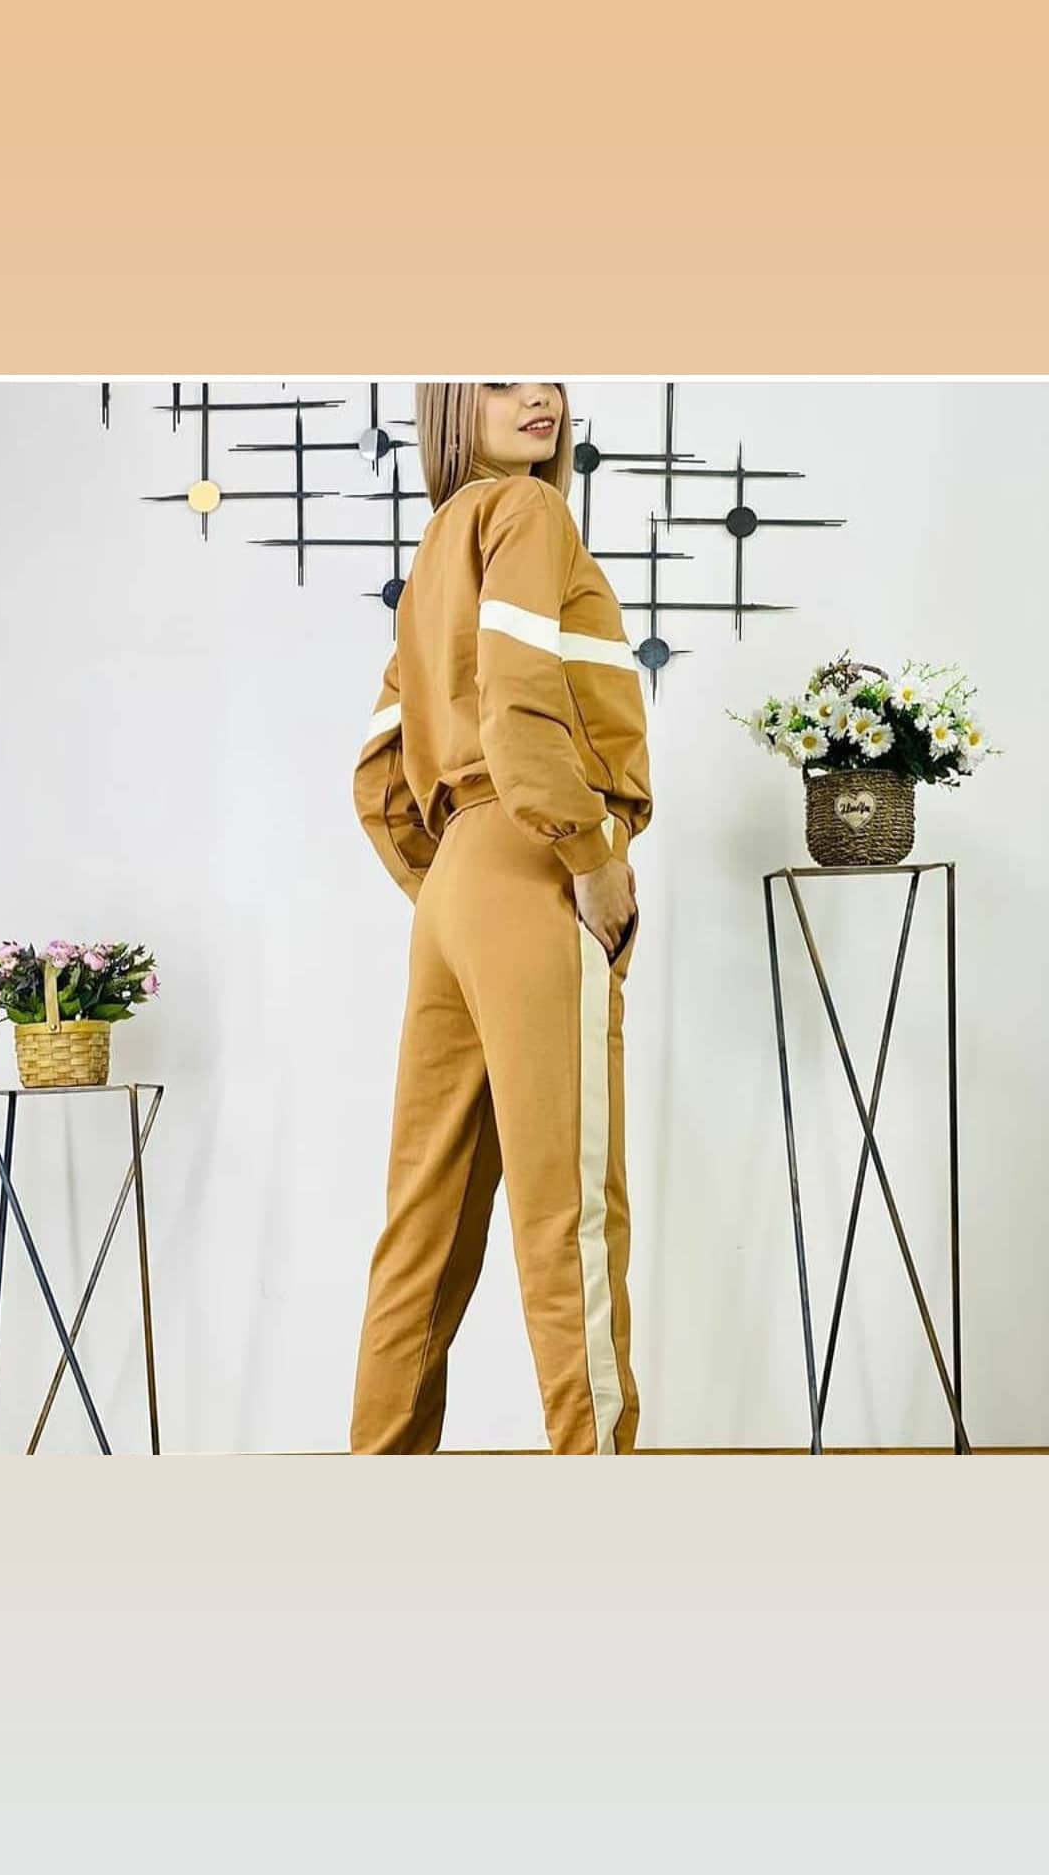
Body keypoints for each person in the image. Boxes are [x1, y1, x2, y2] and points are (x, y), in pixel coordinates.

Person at [349, 381, 654, 1453]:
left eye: (548, 377)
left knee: (421, 1225)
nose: (539, 397)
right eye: (499, 378)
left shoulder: (437, 547)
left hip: (454, 887)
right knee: (570, 1213)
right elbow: (522, 699)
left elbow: (379, 776)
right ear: (449, 404)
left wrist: (450, 886)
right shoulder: (529, 510)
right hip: (534, 862)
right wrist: (587, 858)